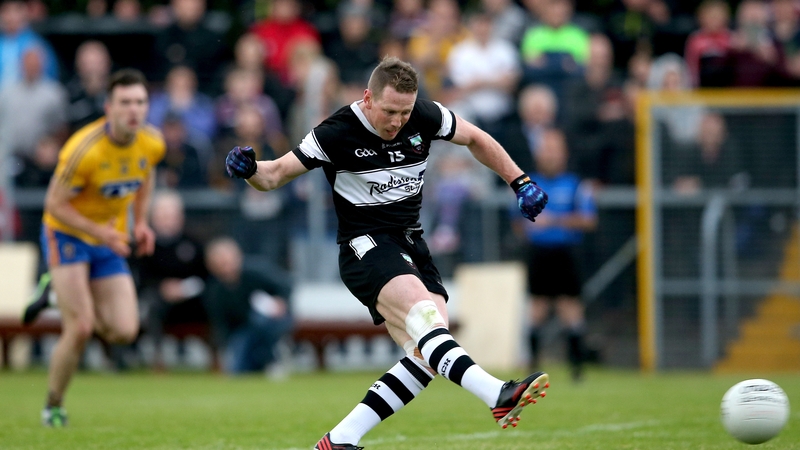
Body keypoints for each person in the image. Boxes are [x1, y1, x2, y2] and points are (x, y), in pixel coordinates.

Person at [225, 56, 550, 449]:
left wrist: (519, 181)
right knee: (425, 319)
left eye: (405, 112)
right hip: (365, 245)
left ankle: (340, 440)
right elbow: (274, 174)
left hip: (412, 244)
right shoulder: (336, 132)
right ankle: (497, 394)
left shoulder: (425, 116)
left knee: (427, 354)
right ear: (367, 98)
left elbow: (477, 139)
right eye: (390, 111)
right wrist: (249, 169)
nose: (397, 121)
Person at [24, 69, 165, 427]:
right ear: (109, 107)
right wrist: (98, 233)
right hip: (68, 235)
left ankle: (56, 294)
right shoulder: (82, 149)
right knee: (81, 327)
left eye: (140, 102)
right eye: (125, 102)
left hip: (110, 236)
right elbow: (54, 205)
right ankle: (53, 405)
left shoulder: (152, 141)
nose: (133, 110)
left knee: (124, 331)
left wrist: (142, 221)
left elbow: (145, 173)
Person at [511, 128, 597, 382]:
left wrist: (555, 221)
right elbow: (517, 221)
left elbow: (589, 220)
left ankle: (577, 369)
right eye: (545, 150)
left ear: (563, 153)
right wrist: (529, 227)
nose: (549, 155)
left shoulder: (576, 184)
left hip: (565, 253)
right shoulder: (527, 184)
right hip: (538, 253)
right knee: (536, 309)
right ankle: (533, 368)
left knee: (570, 309)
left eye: (554, 150)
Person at [136, 190, 208, 370]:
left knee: (214, 300)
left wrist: (187, 288)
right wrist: (162, 287)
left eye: (172, 216)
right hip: (159, 299)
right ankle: (157, 359)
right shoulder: (143, 245)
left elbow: (206, 275)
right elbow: (139, 278)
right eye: (164, 216)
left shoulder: (194, 242)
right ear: (153, 217)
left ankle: (219, 357)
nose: (169, 221)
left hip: (191, 300)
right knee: (152, 305)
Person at [202, 237, 292, 375]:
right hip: (243, 330)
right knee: (238, 369)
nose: (225, 267)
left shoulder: (256, 271)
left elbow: (286, 285)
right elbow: (221, 323)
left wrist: (280, 301)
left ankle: (273, 359)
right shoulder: (215, 290)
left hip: (272, 321)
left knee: (261, 322)